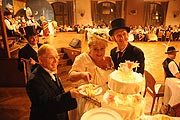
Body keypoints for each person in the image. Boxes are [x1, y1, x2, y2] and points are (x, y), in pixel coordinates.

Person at [26, 44, 82, 120]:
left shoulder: (50, 70)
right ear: (40, 60)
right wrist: (70, 96)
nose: (56, 61)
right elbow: (46, 106)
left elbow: (58, 94)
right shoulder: (34, 81)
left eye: (56, 57)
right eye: (51, 58)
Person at [68, 31, 114, 120]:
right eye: (95, 49)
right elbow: (71, 76)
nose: (99, 52)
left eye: (102, 49)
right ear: (89, 47)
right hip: (88, 101)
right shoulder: (82, 58)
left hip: (107, 99)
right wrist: (81, 74)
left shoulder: (109, 60)